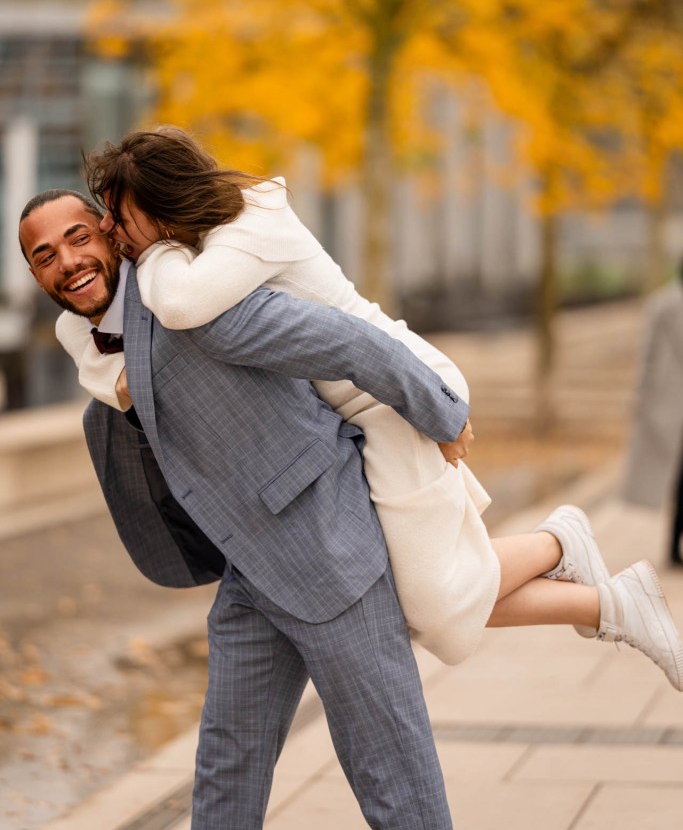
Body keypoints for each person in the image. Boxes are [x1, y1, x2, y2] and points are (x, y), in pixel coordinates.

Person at [18, 192, 683, 829]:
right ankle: (575, 565)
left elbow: (338, 337)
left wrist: (443, 411)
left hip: (326, 550)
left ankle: (568, 557)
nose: (66, 260)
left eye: (77, 237)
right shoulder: (87, 337)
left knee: (391, 775)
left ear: (110, 229)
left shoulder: (184, 298)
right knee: (227, 766)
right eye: (44, 255)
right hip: (249, 574)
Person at [621, 265, 683, 565]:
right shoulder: (663, 305)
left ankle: (673, 546)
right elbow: (649, 357)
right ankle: (673, 546)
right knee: (676, 480)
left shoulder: (661, 303)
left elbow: (647, 357)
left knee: (677, 481)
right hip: (670, 406)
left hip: (667, 405)